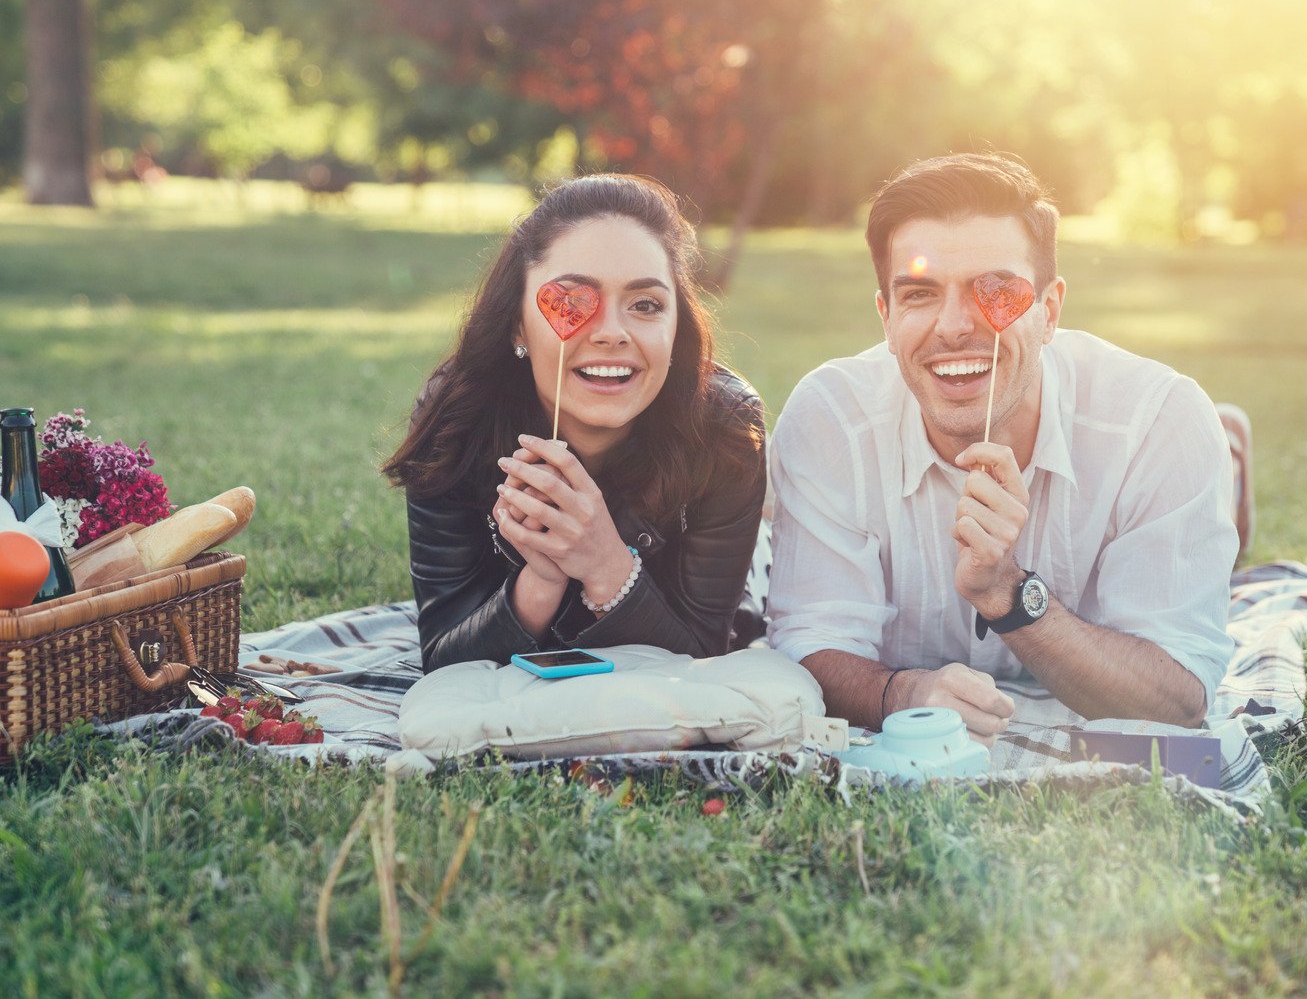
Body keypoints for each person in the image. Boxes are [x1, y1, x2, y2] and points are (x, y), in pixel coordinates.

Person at [767, 153, 1242, 743]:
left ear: (1049, 312)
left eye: (993, 291)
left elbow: (1177, 700)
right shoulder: (830, 419)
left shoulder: (1158, 422)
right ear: (886, 318)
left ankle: (1230, 459)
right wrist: (902, 693)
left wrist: (1008, 593)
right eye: (919, 294)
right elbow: (807, 646)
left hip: (1163, 453)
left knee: (1215, 495)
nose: (954, 327)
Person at [383, 174, 766, 672]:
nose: (611, 333)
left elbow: (703, 657)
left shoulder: (725, 428)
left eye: (645, 305)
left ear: (676, 324)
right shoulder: (458, 420)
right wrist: (541, 579)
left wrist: (605, 563)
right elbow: (444, 657)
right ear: (518, 322)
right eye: (571, 301)